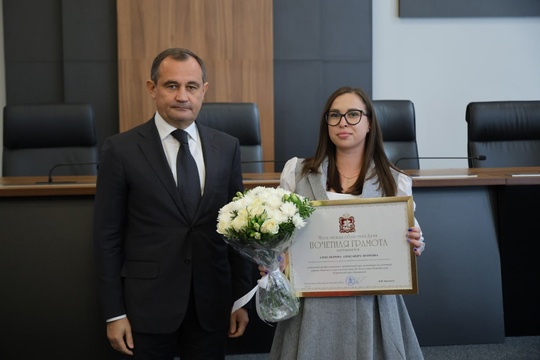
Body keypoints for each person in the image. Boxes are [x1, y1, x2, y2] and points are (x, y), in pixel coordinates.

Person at [93, 47, 254, 359]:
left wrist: (240, 298)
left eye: (191, 87)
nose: (183, 96)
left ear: (203, 91)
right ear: (152, 88)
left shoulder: (227, 147)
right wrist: (114, 313)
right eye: (172, 86)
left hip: (212, 305)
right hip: (147, 308)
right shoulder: (121, 149)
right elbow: (107, 237)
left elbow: (239, 230)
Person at [265, 86, 426, 360]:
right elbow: (281, 237)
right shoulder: (297, 171)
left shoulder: (395, 180)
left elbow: (410, 238)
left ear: (369, 122)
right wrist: (274, 257)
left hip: (371, 303)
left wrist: (416, 241)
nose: (343, 122)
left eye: (353, 115)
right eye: (335, 115)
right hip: (311, 304)